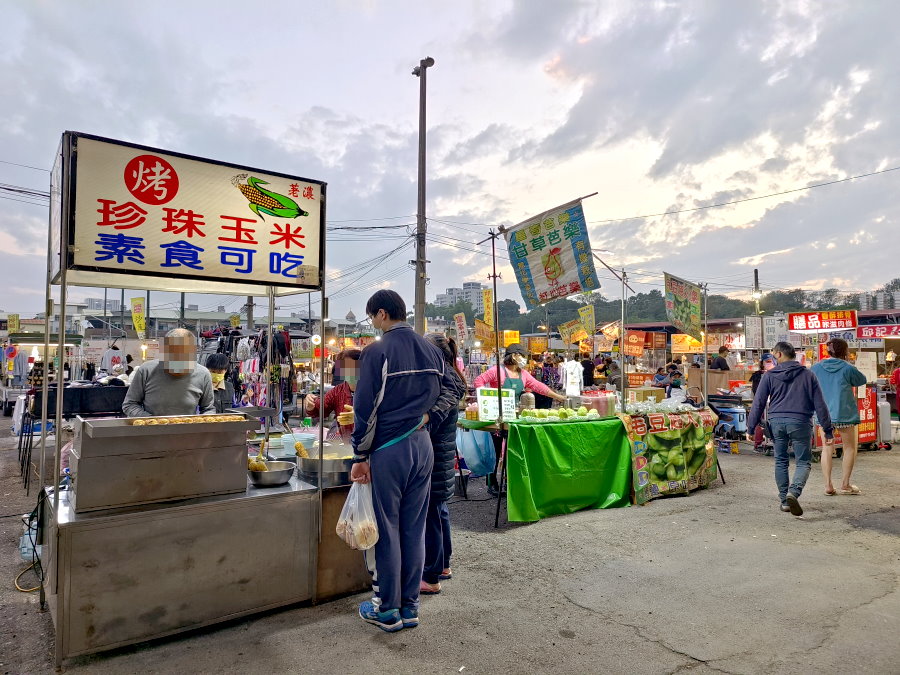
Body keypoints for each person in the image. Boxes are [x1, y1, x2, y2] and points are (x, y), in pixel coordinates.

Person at [350, 290, 457, 633]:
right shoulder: (432, 349)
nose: (373, 324)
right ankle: (410, 607)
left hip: (389, 448)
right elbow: (454, 389)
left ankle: (387, 610)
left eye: (371, 318)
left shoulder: (377, 351)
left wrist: (360, 455)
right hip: (422, 446)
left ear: (381, 314)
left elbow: (364, 410)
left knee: (387, 529)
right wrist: (428, 417)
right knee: (414, 527)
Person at [747, 342, 833, 517]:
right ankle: (793, 492)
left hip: (777, 422)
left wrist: (750, 428)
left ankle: (785, 502)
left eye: (773, 354)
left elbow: (758, 403)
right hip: (800, 422)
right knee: (802, 462)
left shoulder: (769, 376)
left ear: (779, 355)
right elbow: (820, 405)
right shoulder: (808, 375)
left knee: (781, 461)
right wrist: (828, 429)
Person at [474, 344, 566, 495]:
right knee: (496, 450)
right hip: (496, 416)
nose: (524, 359)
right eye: (522, 356)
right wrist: (487, 400)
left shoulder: (523, 374)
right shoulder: (497, 370)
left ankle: (509, 481)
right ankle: (492, 483)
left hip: (514, 415)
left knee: (512, 449)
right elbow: (479, 381)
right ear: (514, 356)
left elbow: (538, 386)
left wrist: (558, 397)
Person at [420, 334, 466, 595]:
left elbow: (436, 414)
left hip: (435, 454)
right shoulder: (451, 375)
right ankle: (444, 565)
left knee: (431, 515)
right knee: (439, 510)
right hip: (442, 453)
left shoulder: (443, 380)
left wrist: (421, 419)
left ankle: (431, 576)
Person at [812, 338, 868, 496]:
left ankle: (828, 486)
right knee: (849, 448)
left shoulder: (816, 368)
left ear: (828, 351)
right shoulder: (848, 368)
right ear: (845, 352)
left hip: (824, 415)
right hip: (844, 414)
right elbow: (861, 380)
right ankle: (845, 484)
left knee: (827, 448)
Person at [122, 329, 214, 417]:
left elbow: (208, 409)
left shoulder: (203, 374)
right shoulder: (146, 370)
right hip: (151, 431)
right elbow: (129, 405)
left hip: (188, 431)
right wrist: (151, 421)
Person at [305, 348, 361, 440]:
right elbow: (320, 409)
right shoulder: (338, 391)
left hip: (372, 445)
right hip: (346, 445)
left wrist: (360, 417)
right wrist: (310, 404)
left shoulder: (374, 389)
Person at [749, 354, 777, 451]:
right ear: (762, 363)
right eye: (767, 362)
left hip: (773, 404)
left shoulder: (776, 374)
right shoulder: (758, 375)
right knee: (760, 422)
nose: (770, 364)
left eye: (771, 361)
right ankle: (758, 443)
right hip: (761, 403)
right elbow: (756, 391)